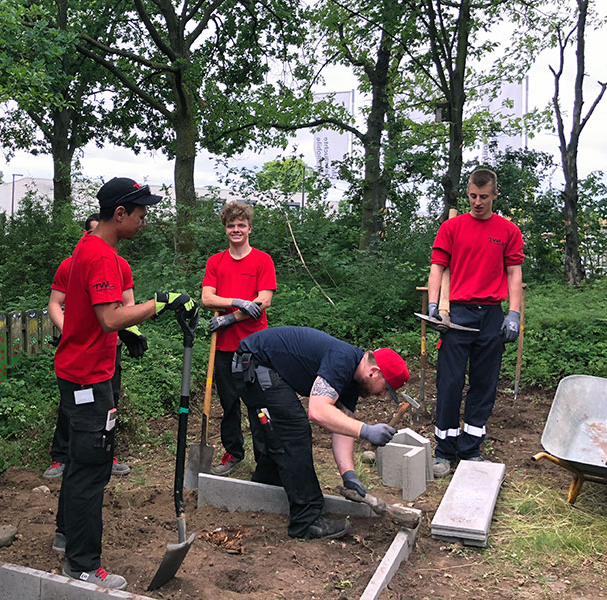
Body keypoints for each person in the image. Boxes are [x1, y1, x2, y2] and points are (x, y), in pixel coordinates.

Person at [51, 176, 195, 590]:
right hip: (89, 377)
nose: (144, 221)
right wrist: (160, 304)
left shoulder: (91, 247)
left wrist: (127, 334)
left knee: (81, 463)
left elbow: (95, 316)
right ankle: (81, 563)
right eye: (141, 214)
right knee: (91, 469)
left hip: (80, 368)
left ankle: (66, 537)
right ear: (119, 214)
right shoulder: (101, 256)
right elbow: (109, 317)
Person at [231, 326, 409, 539]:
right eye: (385, 389)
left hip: (262, 365)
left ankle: (265, 487)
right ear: (374, 372)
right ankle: (306, 521)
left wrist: (348, 474)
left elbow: (342, 426)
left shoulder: (352, 382)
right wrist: (366, 430)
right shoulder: (342, 360)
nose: (382, 396)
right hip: (253, 363)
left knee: (281, 432)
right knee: (294, 431)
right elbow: (317, 411)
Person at [427, 168, 524, 477]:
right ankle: (444, 450)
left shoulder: (508, 231)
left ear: (495, 195)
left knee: (484, 383)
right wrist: (433, 305)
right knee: (450, 381)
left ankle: (471, 448)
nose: (478, 202)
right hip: (457, 314)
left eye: (484, 196)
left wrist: (514, 314)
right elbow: (437, 268)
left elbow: (514, 274)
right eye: (472, 196)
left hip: (492, 315)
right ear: (467, 193)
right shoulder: (452, 228)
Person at [44, 213, 145, 479]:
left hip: (110, 347)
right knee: (72, 405)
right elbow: (55, 304)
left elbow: (128, 304)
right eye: (89, 232)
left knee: (108, 402)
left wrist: (128, 331)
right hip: (79, 352)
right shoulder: (71, 264)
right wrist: (71, 332)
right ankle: (61, 456)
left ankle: (105, 452)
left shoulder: (119, 265)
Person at [201, 200, 276, 476]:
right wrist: (238, 301)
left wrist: (229, 317)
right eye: (231, 225)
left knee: (258, 402)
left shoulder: (262, 260)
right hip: (223, 346)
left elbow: (263, 301)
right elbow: (207, 298)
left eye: (241, 225)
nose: (236, 229)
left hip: (255, 345)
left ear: (249, 229)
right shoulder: (215, 262)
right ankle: (233, 452)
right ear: (225, 229)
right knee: (229, 403)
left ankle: (264, 459)